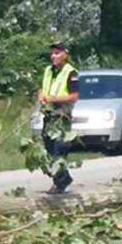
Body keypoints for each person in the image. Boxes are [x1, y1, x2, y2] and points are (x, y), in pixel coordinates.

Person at [37, 42, 79, 193]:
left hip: (62, 117)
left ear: (65, 55)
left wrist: (53, 99)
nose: (53, 56)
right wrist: (41, 96)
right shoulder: (48, 70)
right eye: (52, 53)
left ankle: (60, 183)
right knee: (48, 151)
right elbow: (42, 88)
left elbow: (74, 96)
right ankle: (64, 178)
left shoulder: (71, 73)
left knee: (58, 151)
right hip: (48, 116)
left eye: (57, 53)